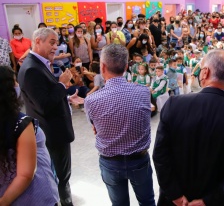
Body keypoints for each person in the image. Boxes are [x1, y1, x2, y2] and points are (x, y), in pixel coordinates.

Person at [153, 49, 224, 206]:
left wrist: (175, 195)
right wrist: (209, 201)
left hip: (173, 201)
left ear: (205, 72)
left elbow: (160, 155)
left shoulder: (174, 104)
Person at [17, 28, 84, 206]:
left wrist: (67, 97)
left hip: (54, 129)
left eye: (56, 43)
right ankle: (64, 199)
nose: (56, 47)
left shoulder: (39, 64)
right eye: (52, 43)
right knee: (60, 174)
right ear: (38, 41)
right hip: (52, 132)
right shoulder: (31, 68)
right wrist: (62, 85)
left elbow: (44, 95)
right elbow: (44, 105)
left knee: (61, 171)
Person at [84, 44, 155, 206]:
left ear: (102, 67)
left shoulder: (91, 100)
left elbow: (95, 128)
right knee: (148, 202)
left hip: (110, 162)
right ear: (126, 66)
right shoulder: (143, 92)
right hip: (139, 159)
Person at [0, 66, 59, 205]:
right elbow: (26, 174)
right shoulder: (21, 123)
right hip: (32, 195)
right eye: (15, 82)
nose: (18, 85)